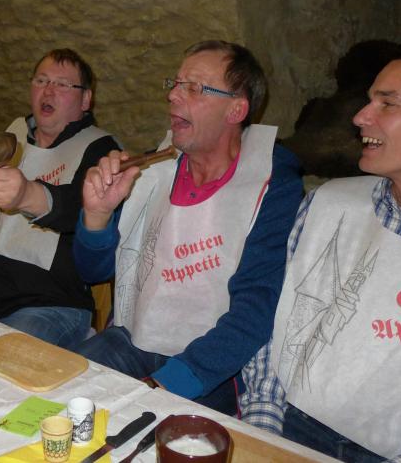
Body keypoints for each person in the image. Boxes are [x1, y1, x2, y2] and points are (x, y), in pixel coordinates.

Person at [240, 44, 401, 462]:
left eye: (387, 103)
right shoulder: (328, 204)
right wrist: (264, 431)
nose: (360, 117)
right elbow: (275, 325)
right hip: (291, 425)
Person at [73, 40, 303, 415]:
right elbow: (92, 272)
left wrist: (165, 385)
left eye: (194, 88)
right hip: (131, 340)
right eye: (175, 84)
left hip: (213, 372)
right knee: (56, 392)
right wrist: (97, 215)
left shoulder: (272, 187)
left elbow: (256, 310)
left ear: (236, 109)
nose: (173, 96)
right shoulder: (154, 170)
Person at [0, 48, 120, 348]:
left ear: (85, 100)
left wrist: (28, 194)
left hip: (50, 305)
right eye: (41, 81)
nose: (48, 91)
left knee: (2, 359)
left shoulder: (101, 148)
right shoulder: (9, 138)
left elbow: (78, 207)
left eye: (62, 84)